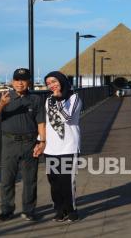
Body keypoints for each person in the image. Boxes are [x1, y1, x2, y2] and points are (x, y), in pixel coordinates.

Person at [0, 68, 46, 221]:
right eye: (16, 80)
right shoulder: (5, 96)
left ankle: (29, 210)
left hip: (30, 142)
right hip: (9, 143)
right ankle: (7, 209)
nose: (19, 83)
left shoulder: (35, 99)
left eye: (23, 80)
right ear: (12, 81)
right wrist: (2, 104)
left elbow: (41, 122)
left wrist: (42, 142)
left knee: (30, 179)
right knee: (7, 179)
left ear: (28, 82)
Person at [34, 71, 82, 222]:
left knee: (66, 181)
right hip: (51, 147)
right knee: (53, 181)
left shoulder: (74, 97)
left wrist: (58, 100)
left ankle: (71, 209)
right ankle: (59, 209)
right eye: (48, 83)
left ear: (61, 81)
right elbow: (47, 122)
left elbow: (67, 117)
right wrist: (39, 142)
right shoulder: (48, 99)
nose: (52, 85)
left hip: (68, 146)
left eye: (54, 81)